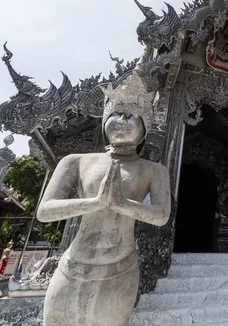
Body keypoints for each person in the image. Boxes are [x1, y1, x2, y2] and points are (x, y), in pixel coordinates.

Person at [37, 73, 171, 326]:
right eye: (116, 114)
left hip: (120, 268)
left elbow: (161, 215)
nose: (122, 120)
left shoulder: (154, 170)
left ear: (145, 129)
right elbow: (45, 211)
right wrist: (95, 202)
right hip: (72, 265)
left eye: (132, 116)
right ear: (104, 120)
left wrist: (121, 203)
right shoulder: (75, 161)